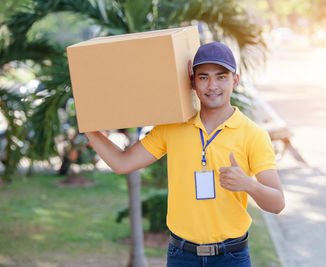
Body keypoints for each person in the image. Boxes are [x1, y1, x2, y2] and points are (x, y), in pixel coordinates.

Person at [86, 42, 285, 266]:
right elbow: (122, 163)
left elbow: (277, 203)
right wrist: (89, 129)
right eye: (203, 77)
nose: (212, 85)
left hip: (231, 258)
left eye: (221, 77)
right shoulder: (172, 127)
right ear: (192, 82)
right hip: (182, 257)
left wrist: (249, 184)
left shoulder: (254, 135)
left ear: (234, 81)